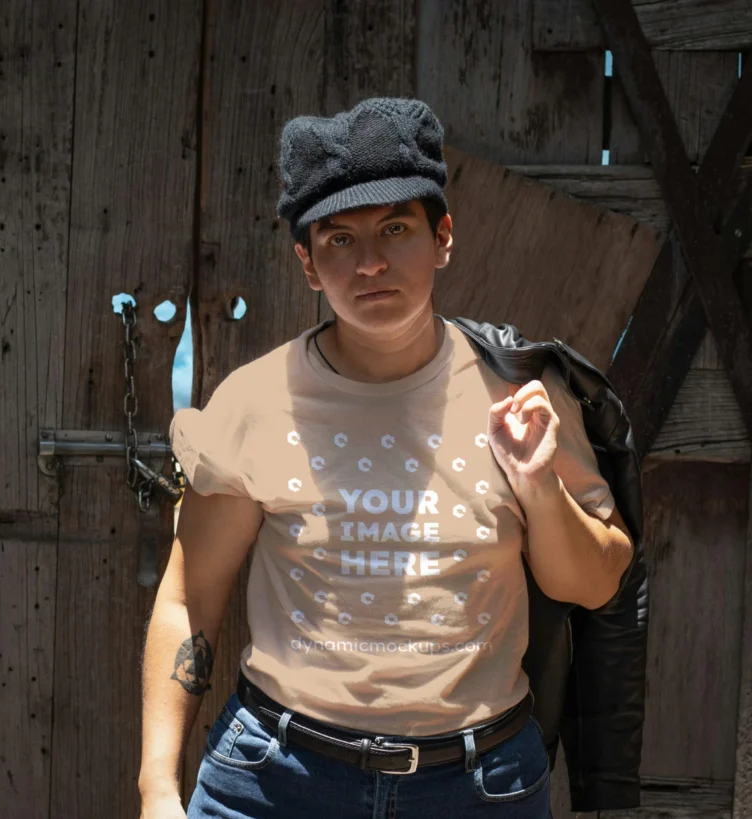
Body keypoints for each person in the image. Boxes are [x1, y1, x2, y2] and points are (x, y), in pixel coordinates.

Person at [137, 97, 635, 819]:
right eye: (338, 240)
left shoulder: (523, 395)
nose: (369, 262)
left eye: (396, 228)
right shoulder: (254, 402)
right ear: (308, 263)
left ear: (443, 238)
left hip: (477, 785)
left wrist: (536, 486)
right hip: (276, 782)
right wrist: (156, 786)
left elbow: (595, 584)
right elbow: (189, 598)